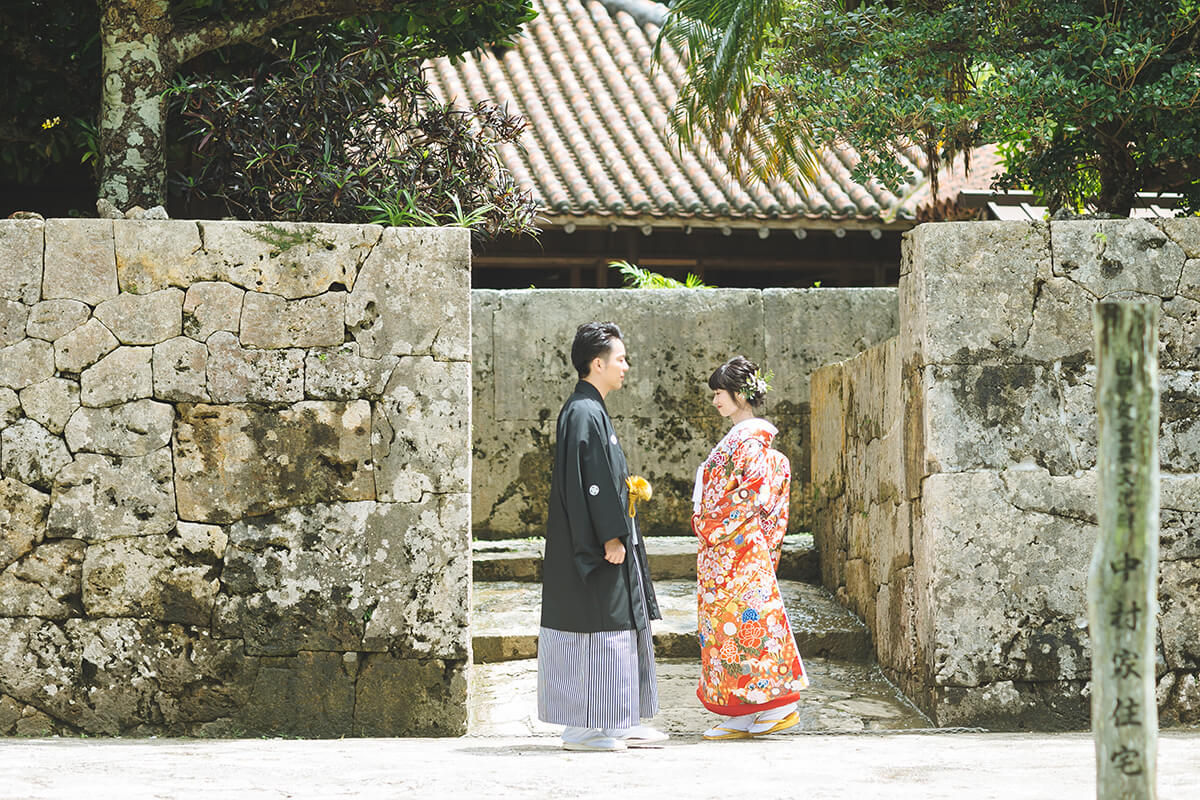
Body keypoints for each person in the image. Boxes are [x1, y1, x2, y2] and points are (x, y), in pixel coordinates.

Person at [537, 322, 668, 752]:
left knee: (621, 624)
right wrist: (610, 537)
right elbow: (586, 483)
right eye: (620, 359)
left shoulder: (592, 410)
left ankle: (619, 717)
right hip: (595, 545)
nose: (626, 366)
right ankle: (582, 726)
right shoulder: (582, 411)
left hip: (609, 538)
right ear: (598, 363)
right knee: (598, 626)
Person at [691, 355, 808, 740]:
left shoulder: (750, 439)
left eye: (719, 393)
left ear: (740, 394)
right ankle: (746, 712)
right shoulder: (745, 438)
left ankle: (771, 708)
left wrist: (708, 524)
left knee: (745, 629)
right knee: (734, 633)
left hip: (735, 549)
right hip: (730, 550)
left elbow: (751, 495)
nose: (715, 401)